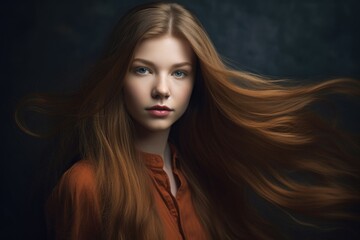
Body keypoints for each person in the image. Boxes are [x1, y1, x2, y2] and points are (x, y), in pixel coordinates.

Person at [16, 2, 359, 240]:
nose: (162, 89)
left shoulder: (203, 179)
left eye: (179, 73)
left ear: (196, 84)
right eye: (143, 69)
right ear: (117, 77)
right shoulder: (85, 186)